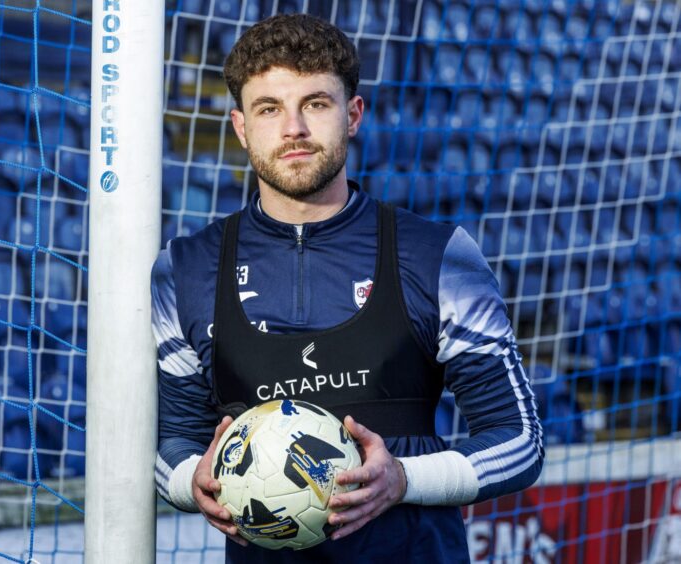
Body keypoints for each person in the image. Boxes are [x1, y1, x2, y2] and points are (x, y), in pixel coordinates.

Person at [151, 13, 543, 563]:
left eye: (315, 103)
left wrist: (402, 479)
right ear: (241, 127)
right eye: (269, 108)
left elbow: (520, 441)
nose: (294, 129)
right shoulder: (185, 268)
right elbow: (172, 444)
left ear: (353, 114)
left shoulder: (438, 255)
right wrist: (191, 480)